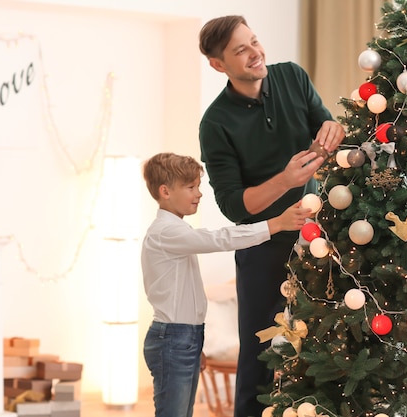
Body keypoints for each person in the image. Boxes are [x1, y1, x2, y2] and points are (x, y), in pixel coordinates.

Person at [198, 15, 346, 417]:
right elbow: (232, 205)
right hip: (261, 247)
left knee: (326, 349)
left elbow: (324, 124)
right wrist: (284, 181)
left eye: (254, 42)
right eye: (240, 50)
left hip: (318, 239)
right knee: (260, 357)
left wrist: (332, 129)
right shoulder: (215, 123)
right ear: (218, 65)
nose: (254, 53)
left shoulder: (292, 77)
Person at [141, 152, 311, 417]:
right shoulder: (166, 232)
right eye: (190, 187)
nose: (198, 194)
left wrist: (194, 344)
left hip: (183, 336)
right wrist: (275, 224)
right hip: (173, 336)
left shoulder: (177, 232)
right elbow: (220, 239)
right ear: (165, 191)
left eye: (198, 186)